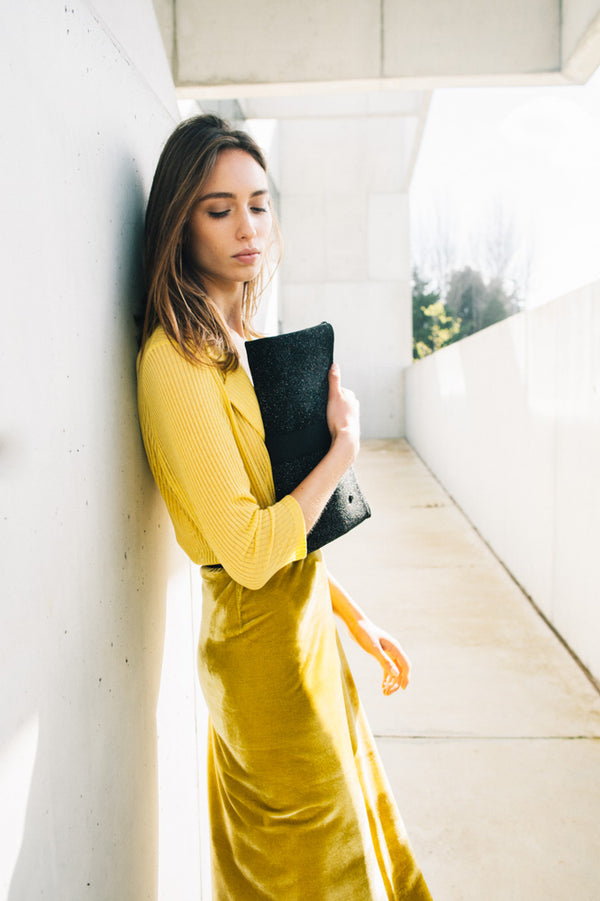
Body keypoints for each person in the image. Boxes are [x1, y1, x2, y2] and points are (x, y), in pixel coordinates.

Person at [137, 114, 433, 900]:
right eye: (219, 207)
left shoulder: (239, 341)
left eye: (259, 204)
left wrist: (352, 617)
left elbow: (286, 531)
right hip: (262, 658)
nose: (247, 227)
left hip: (303, 636)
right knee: (312, 873)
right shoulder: (175, 360)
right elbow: (252, 548)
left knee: (356, 846)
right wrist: (344, 452)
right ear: (178, 221)